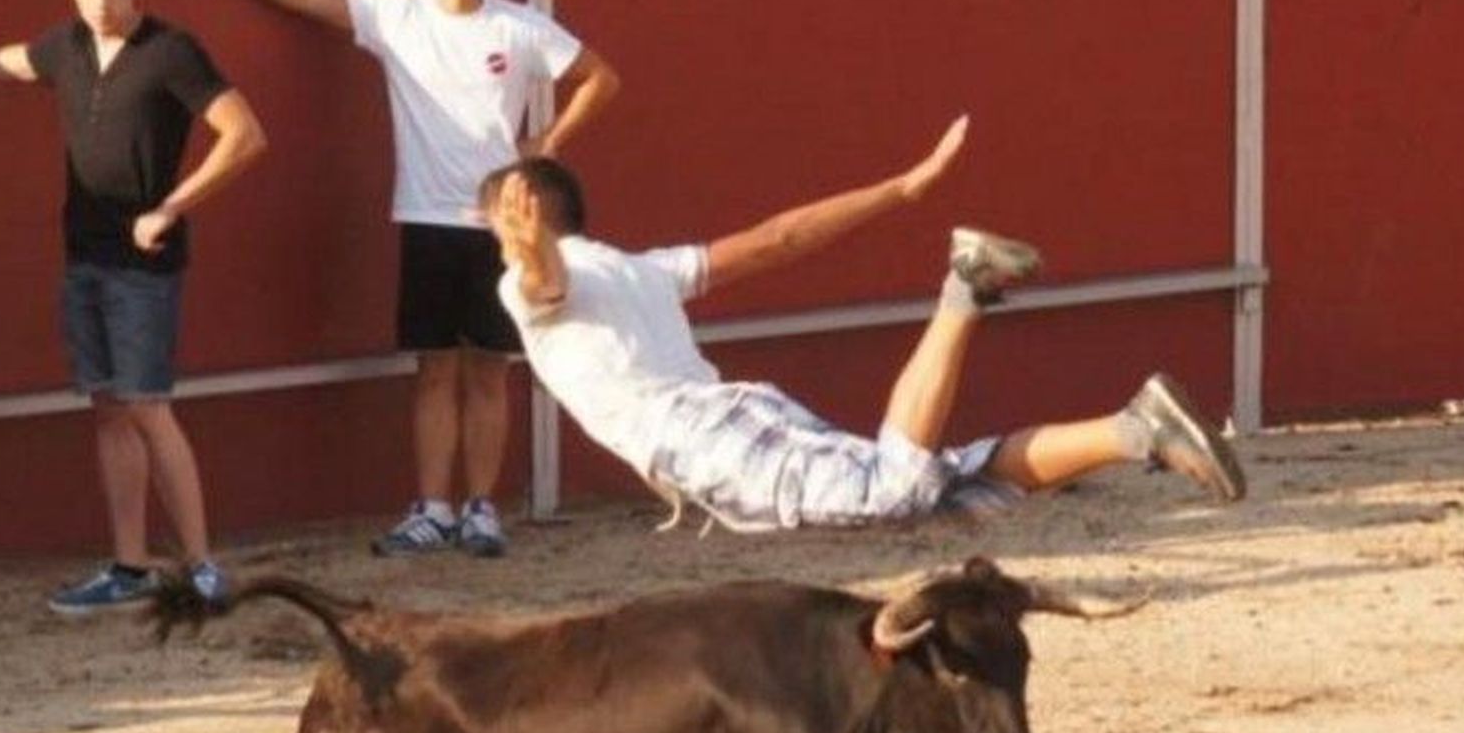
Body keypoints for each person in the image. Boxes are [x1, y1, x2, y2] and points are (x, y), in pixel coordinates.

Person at [479, 114, 1246, 534]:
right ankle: (1135, 429)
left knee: (894, 489)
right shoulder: (641, 268)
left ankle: (963, 287)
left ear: (523, 216)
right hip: (740, 410)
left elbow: (545, 281)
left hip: (697, 435)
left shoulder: (527, 278)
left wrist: (528, 248)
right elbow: (779, 239)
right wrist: (900, 189)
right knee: (940, 488)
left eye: (498, 222)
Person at [185, 0, 619, 559]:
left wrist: (548, 141)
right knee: (435, 369)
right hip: (425, 216)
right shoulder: (399, 17)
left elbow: (600, 77)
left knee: (489, 370)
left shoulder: (518, 26)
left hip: (500, 224)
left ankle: (480, 509)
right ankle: (433, 509)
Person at [0, 0, 267, 612]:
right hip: (86, 254)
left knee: (148, 409)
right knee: (111, 410)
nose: (101, 3)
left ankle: (202, 566)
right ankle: (130, 564)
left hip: (143, 263)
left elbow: (245, 135)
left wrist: (171, 206)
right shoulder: (65, 47)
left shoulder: (171, 51)